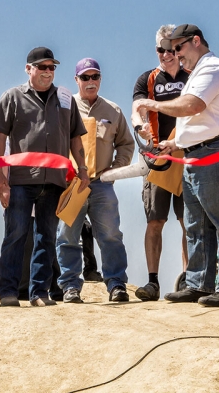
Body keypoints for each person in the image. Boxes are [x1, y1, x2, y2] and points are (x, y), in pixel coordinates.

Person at [134, 24, 219, 307]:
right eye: (169, 50)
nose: (174, 55)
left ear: (195, 41)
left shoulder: (214, 68)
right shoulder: (198, 71)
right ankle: (198, 284)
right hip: (196, 153)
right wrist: (176, 142)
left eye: (178, 48)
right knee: (197, 224)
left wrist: (153, 104)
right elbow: (197, 117)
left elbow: (191, 106)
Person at [0, 47, 90, 307]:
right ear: (28, 69)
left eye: (52, 67)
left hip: (55, 181)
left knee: (47, 236)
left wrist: (83, 169)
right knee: (16, 235)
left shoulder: (66, 98)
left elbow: (74, 137)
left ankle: (39, 293)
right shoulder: (12, 97)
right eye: (42, 67)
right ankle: (8, 292)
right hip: (21, 180)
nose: (48, 72)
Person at [56, 58, 134, 303]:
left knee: (110, 235)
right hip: (73, 183)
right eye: (85, 77)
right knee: (67, 236)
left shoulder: (113, 110)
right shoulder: (64, 109)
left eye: (95, 77)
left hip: (102, 184)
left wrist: (115, 169)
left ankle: (116, 284)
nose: (91, 82)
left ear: (100, 79)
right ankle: (70, 286)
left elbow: (126, 143)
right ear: (76, 80)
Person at [131, 24, 189, 301]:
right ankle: (152, 281)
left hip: (188, 155)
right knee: (155, 220)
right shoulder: (148, 78)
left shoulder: (193, 75)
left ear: (180, 49)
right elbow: (137, 108)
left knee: (188, 221)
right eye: (160, 49)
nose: (166, 55)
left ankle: (190, 279)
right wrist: (140, 125)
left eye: (171, 49)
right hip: (157, 157)